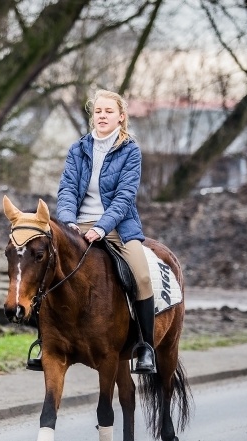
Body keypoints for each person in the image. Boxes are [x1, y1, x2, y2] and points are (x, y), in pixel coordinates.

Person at [54, 89, 156, 374]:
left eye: (109, 111)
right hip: (77, 225)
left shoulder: (131, 150)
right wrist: (67, 221)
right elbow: (67, 190)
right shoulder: (78, 148)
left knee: (143, 277)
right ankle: (45, 341)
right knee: (46, 266)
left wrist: (101, 227)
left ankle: (145, 348)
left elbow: (125, 197)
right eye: (98, 111)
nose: (102, 115)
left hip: (117, 228)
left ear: (121, 117)